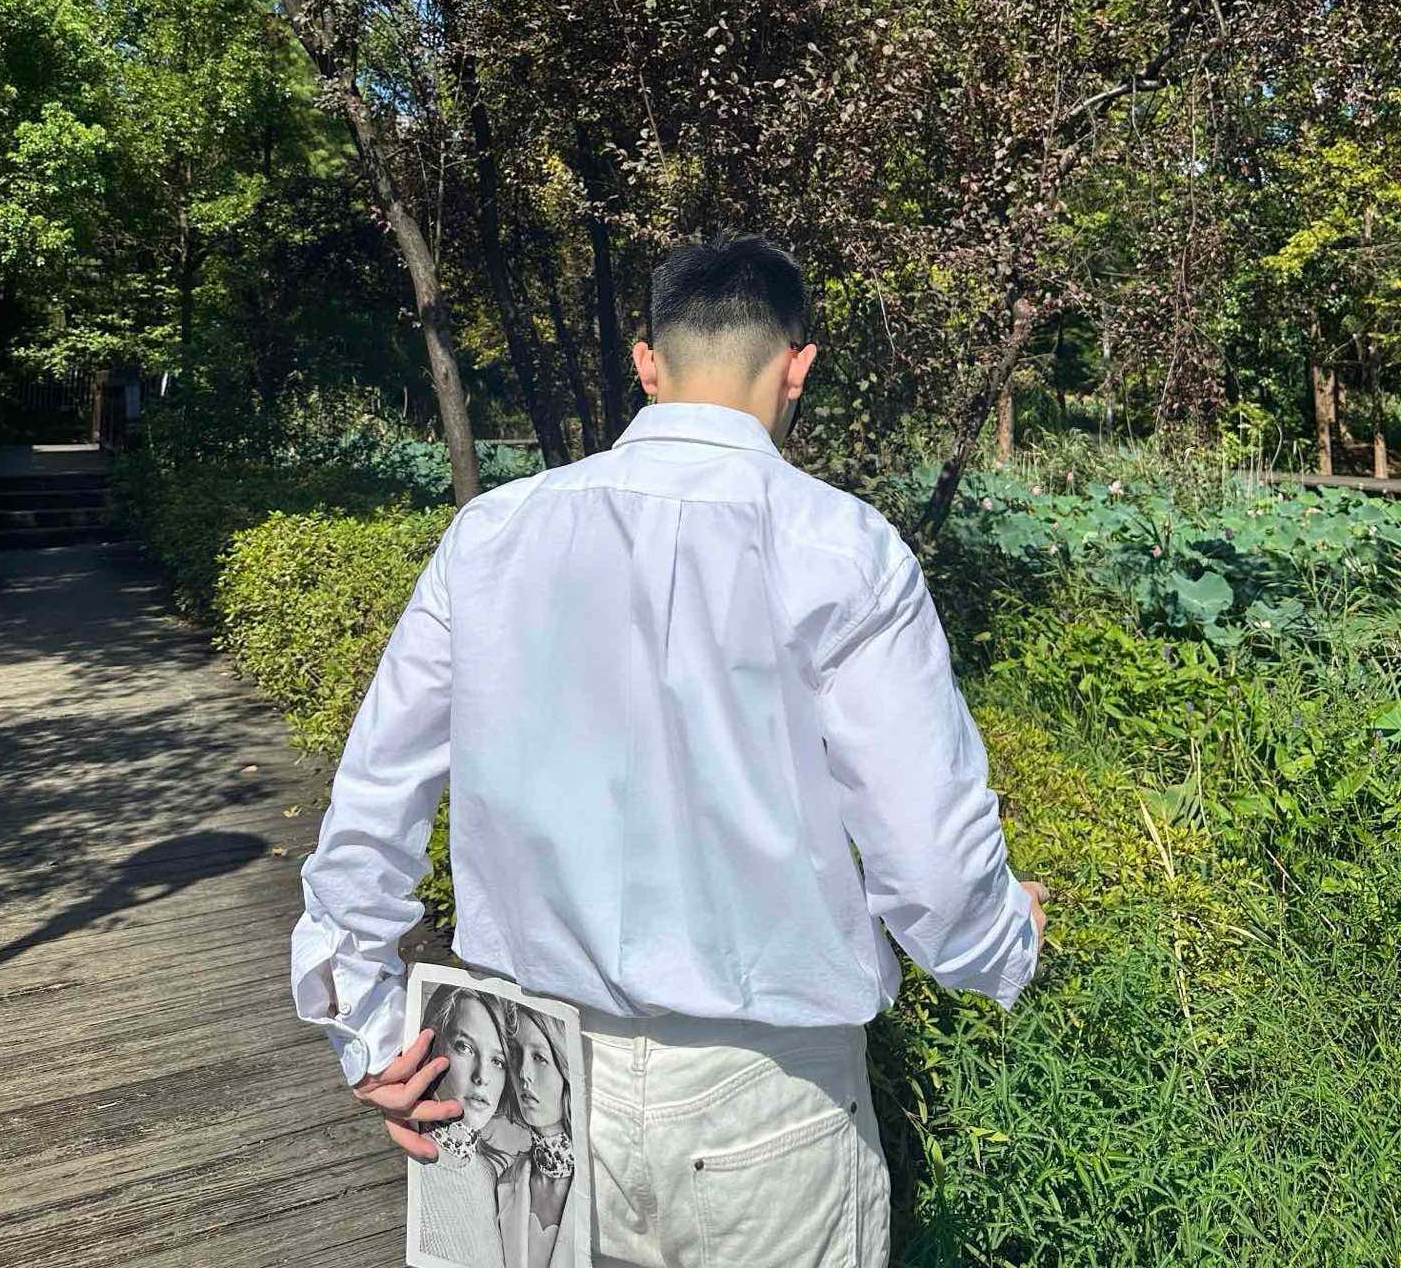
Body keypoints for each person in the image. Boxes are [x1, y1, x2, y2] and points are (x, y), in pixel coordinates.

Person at [292, 233, 1049, 1268]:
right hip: (769, 1099)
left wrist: (372, 1031)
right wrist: (1001, 941)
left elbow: (374, 799)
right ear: (798, 366)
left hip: (519, 1075)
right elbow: (929, 858)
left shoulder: (492, 535)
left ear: (646, 363)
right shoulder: (843, 548)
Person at [410, 985, 514, 1268]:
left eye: (497, 1061)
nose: (482, 1076)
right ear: (434, 1049)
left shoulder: (490, 1174)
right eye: (465, 1047)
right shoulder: (409, 1160)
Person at [495, 1003, 576, 1268]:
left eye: (539, 1057)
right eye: (516, 1054)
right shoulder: (504, 1183)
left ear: (567, 1068)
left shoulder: (605, 1182)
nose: (523, 1073)